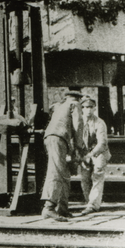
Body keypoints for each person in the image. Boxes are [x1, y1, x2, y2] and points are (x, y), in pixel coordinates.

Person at [40, 90, 85, 221]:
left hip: (54, 138)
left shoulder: (60, 106)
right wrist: (79, 146)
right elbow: (79, 124)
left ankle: (63, 209)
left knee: (64, 173)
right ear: (78, 98)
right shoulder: (75, 104)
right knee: (57, 171)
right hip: (58, 138)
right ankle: (48, 208)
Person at [78, 97, 111, 216]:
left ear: (94, 108)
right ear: (81, 109)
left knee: (97, 174)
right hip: (85, 153)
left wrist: (90, 155)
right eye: (85, 107)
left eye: (90, 107)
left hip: (99, 152)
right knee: (85, 178)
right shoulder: (79, 122)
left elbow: (102, 143)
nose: (88, 110)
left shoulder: (99, 123)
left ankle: (93, 205)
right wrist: (82, 155)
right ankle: (89, 202)